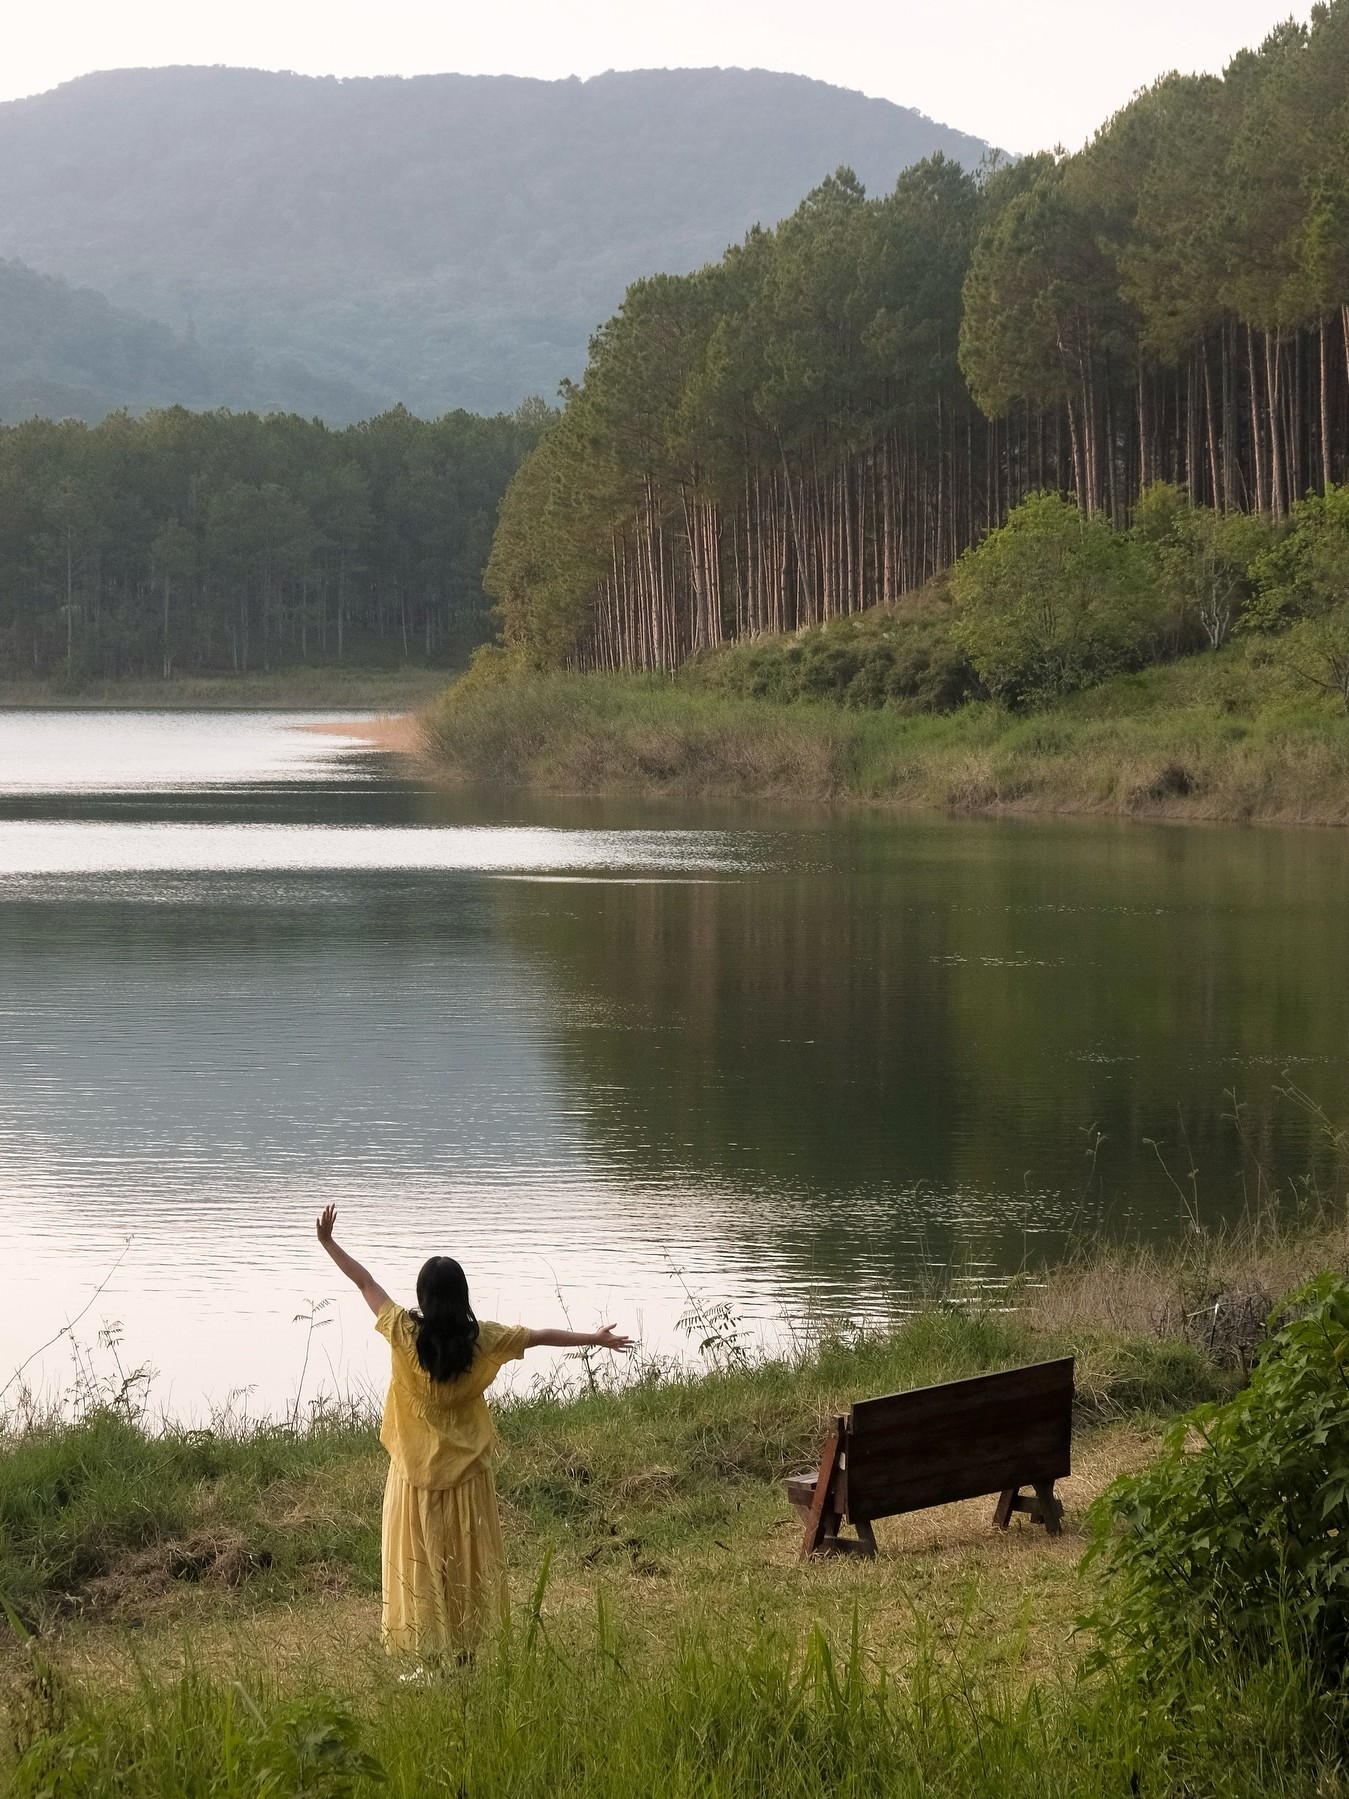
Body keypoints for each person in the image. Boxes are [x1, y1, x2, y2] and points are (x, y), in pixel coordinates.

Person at [315, 1204, 631, 1659]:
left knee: (418, 1566)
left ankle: (426, 1653)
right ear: (462, 1297)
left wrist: (328, 1242)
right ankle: (465, 1651)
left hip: (413, 1481)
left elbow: (364, 1283)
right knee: (464, 1566)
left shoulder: (404, 1332)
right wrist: (594, 1338)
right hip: (467, 1480)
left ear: (422, 1299)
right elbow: (540, 1335)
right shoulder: (484, 1340)